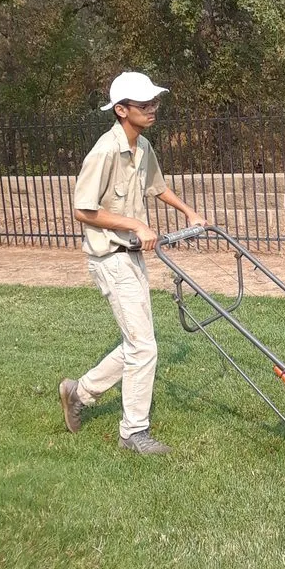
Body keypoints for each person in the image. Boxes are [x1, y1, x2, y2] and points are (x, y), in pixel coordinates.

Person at [58, 72, 207, 454]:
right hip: (109, 256)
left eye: (154, 102)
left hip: (132, 255)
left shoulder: (142, 148)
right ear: (121, 110)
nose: (153, 109)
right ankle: (133, 432)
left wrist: (191, 213)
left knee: (137, 343)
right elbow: (84, 210)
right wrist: (135, 224)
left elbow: (158, 187)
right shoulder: (105, 151)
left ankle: (80, 391)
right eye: (144, 105)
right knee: (144, 347)